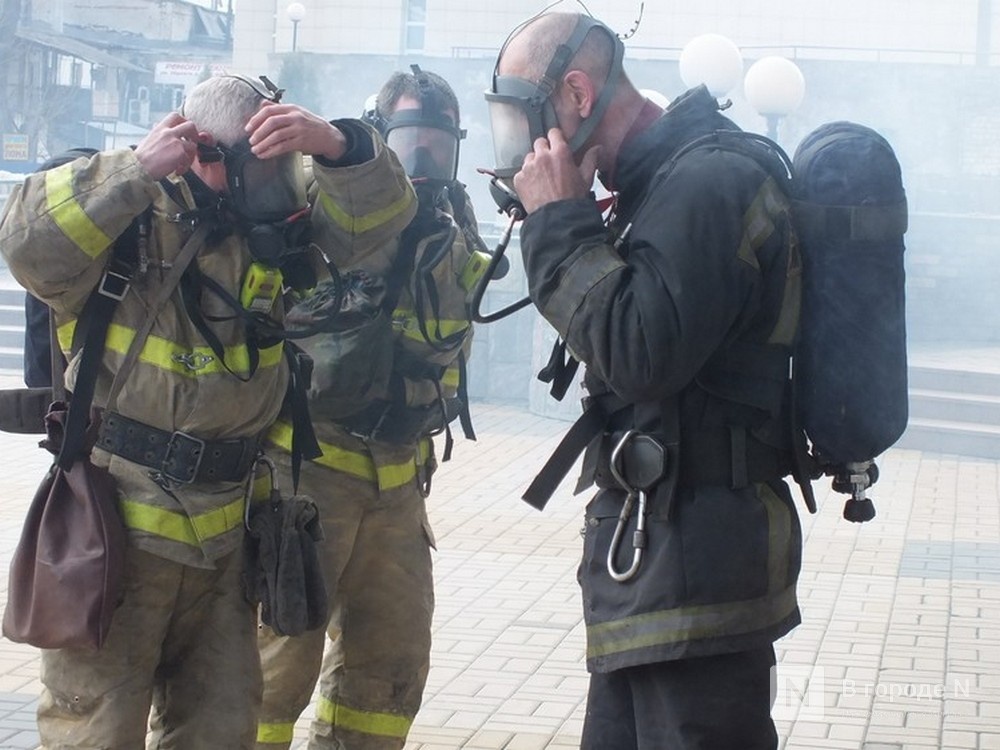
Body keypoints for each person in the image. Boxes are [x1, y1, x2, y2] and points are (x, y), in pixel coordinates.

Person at [0, 74, 415, 749]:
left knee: (222, 732)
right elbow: (23, 239)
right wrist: (135, 171)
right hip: (113, 543)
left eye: (285, 168)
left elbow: (377, 225)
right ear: (201, 151)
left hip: (225, 546)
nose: (278, 189)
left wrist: (338, 145)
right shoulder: (127, 219)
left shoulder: (267, 230)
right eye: (263, 170)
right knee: (95, 733)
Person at [486, 12, 804, 750]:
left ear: (575, 91)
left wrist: (560, 222)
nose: (522, 147)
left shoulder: (707, 182)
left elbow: (640, 352)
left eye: (527, 119)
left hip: (701, 575)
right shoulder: (660, 185)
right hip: (659, 567)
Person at [254, 67, 487, 750]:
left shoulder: (450, 221)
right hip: (312, 477)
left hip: (399, 481)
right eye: (410, 139)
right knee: (275, 670)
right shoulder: (339, 200)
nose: (424, 161)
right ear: (379, 137)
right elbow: (356, 204)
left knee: (389, 670)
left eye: (437, 144)